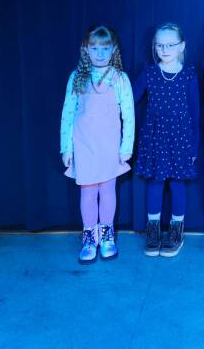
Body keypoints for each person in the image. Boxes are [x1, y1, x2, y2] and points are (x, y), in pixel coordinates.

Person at [60, 25, 134, 263]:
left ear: (114, 50)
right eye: (94, 48)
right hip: (84, 145)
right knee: (88, 193)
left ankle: (107, 235)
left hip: (109, 146)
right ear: (86, 49)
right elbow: (68, 113)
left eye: (105, 48)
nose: (100, 53)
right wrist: (66, 148)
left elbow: (129, 115)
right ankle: (89, 238)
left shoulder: (120, 78)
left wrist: (126, 147)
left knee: (108, 191)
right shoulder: (77, 77)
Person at [133, 23, 199, 258]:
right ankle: (153, 232)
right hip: (155, 138)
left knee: (178, 184)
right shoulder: (150, 73)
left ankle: (176, 231)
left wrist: (195, 147)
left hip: (181, 139)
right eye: (160, 45)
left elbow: (195, 112)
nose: (164, 49)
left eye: (170, 45)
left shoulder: (189, 74)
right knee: (156, 183)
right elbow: (130, 98)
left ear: (181, 46)